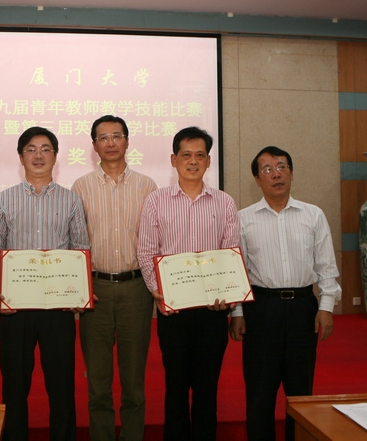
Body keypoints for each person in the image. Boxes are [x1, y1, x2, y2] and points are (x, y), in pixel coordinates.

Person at [229, 146, 341, 441]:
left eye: (281, 166)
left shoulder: (313, 215)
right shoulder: (242, 219)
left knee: (301, 392)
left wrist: (326, 307)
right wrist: (237, 312)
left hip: (303, 308)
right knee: (260, 392)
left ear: (291, 173)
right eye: (267, 169)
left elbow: (326, 266)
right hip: (261, 309)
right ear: (257, 180)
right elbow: (237, 271)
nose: (275, 174)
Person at [0, 126, 90, 441]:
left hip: (58, 308)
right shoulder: (3, 200)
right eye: (31, 149)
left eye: (46, 149)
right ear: (21, 157)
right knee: (14, 385)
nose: (38, 155)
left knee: (61, 385)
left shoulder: (71, 200)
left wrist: (78, 293)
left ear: (55, 157)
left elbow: (80, 249)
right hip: (15, 309)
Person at [137, 126, 239, 441]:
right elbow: (146, 251)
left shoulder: (224, 203)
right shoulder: (156, 201)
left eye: (199, 155)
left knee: (207, 388)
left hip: (212, 311)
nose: (192, 161)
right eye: (186, 155)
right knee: (176, 387)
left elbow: (231, 253)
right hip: (174, 312)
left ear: (208, 161)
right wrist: (158, 292)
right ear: (174, 160)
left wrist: (228, 295)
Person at [71, 115, 157, 441]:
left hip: (137, 289)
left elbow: (155, 241)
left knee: (134, 381)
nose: (110, 143)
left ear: (127, 141)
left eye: (116, 136)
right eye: (103, 138)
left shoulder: (147, 186)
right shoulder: (81, 187)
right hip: (96, 290)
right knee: (98, 382)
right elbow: (75, 242)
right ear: (94, 146)